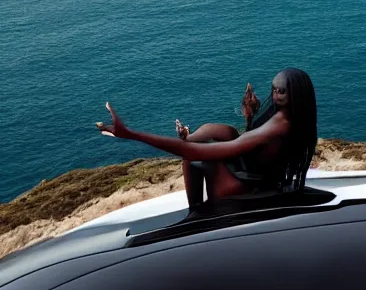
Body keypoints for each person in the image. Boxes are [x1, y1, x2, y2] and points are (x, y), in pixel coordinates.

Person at [96, 68, 318, 209]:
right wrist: (250, 115)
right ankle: (188, 138)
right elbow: (261, 144)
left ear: (296, 94)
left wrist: (131, 134)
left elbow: (207, 152)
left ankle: (198, 213)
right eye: (274, 90)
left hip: (251, 180)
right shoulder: (288, 116)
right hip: (254, 165)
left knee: (194, 159)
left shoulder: (280, 125)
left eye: (282, 92)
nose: (276, 96)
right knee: (218, 130)